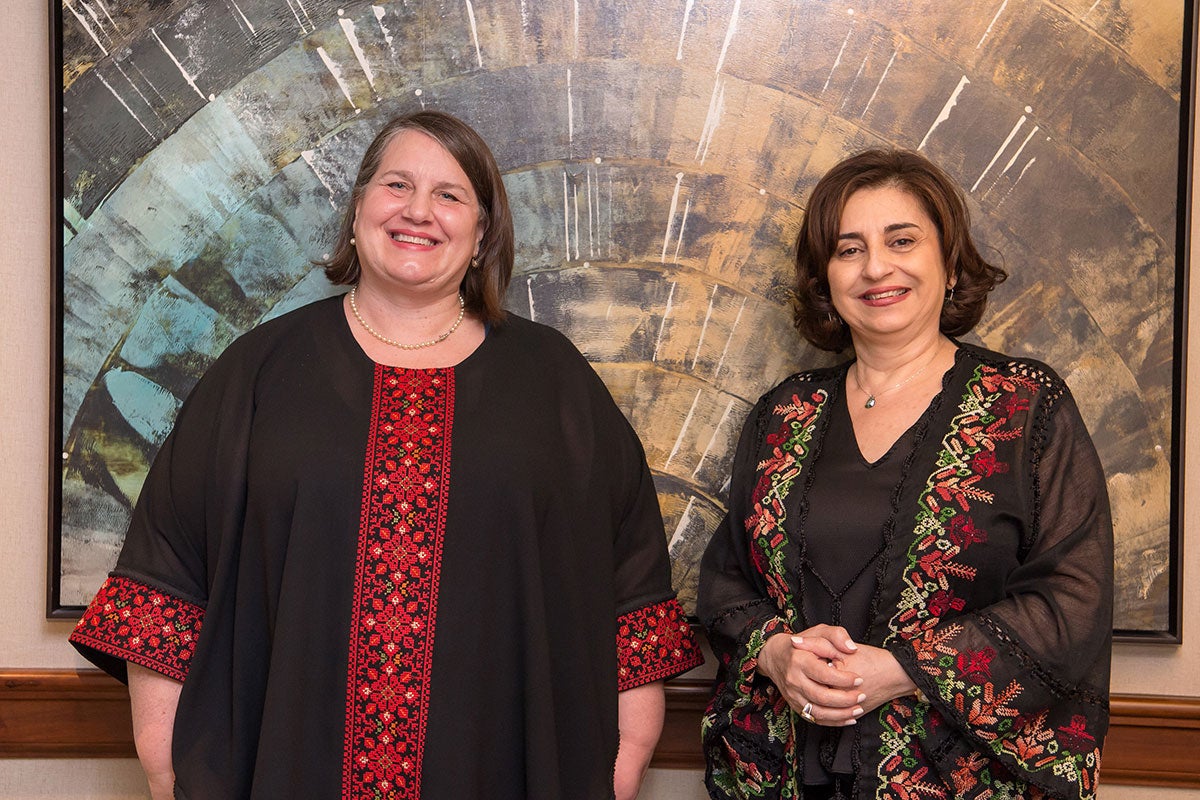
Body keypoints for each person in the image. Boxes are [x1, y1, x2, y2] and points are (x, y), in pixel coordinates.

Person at [70, 109, 702, 800]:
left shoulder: (555, 381)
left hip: (506, 769)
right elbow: (166, 581)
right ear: (360, 208)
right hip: (282, 769)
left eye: (451, 194)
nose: (419, 211)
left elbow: (631, 583)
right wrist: (164, 767)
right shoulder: (257, 372)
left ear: (483, 229)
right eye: (397, 185)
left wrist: (627, 756)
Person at [698, 149, 1112, 800]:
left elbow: (1073, 602)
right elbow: (726, 583)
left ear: (949, 262)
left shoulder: (1023, 406)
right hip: (790, 775)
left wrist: (902, 669)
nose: (876, 268)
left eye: (902, 240)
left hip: (959, 778)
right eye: (848, 249)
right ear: (825, 279)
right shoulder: (784, 414)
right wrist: (775, 653)